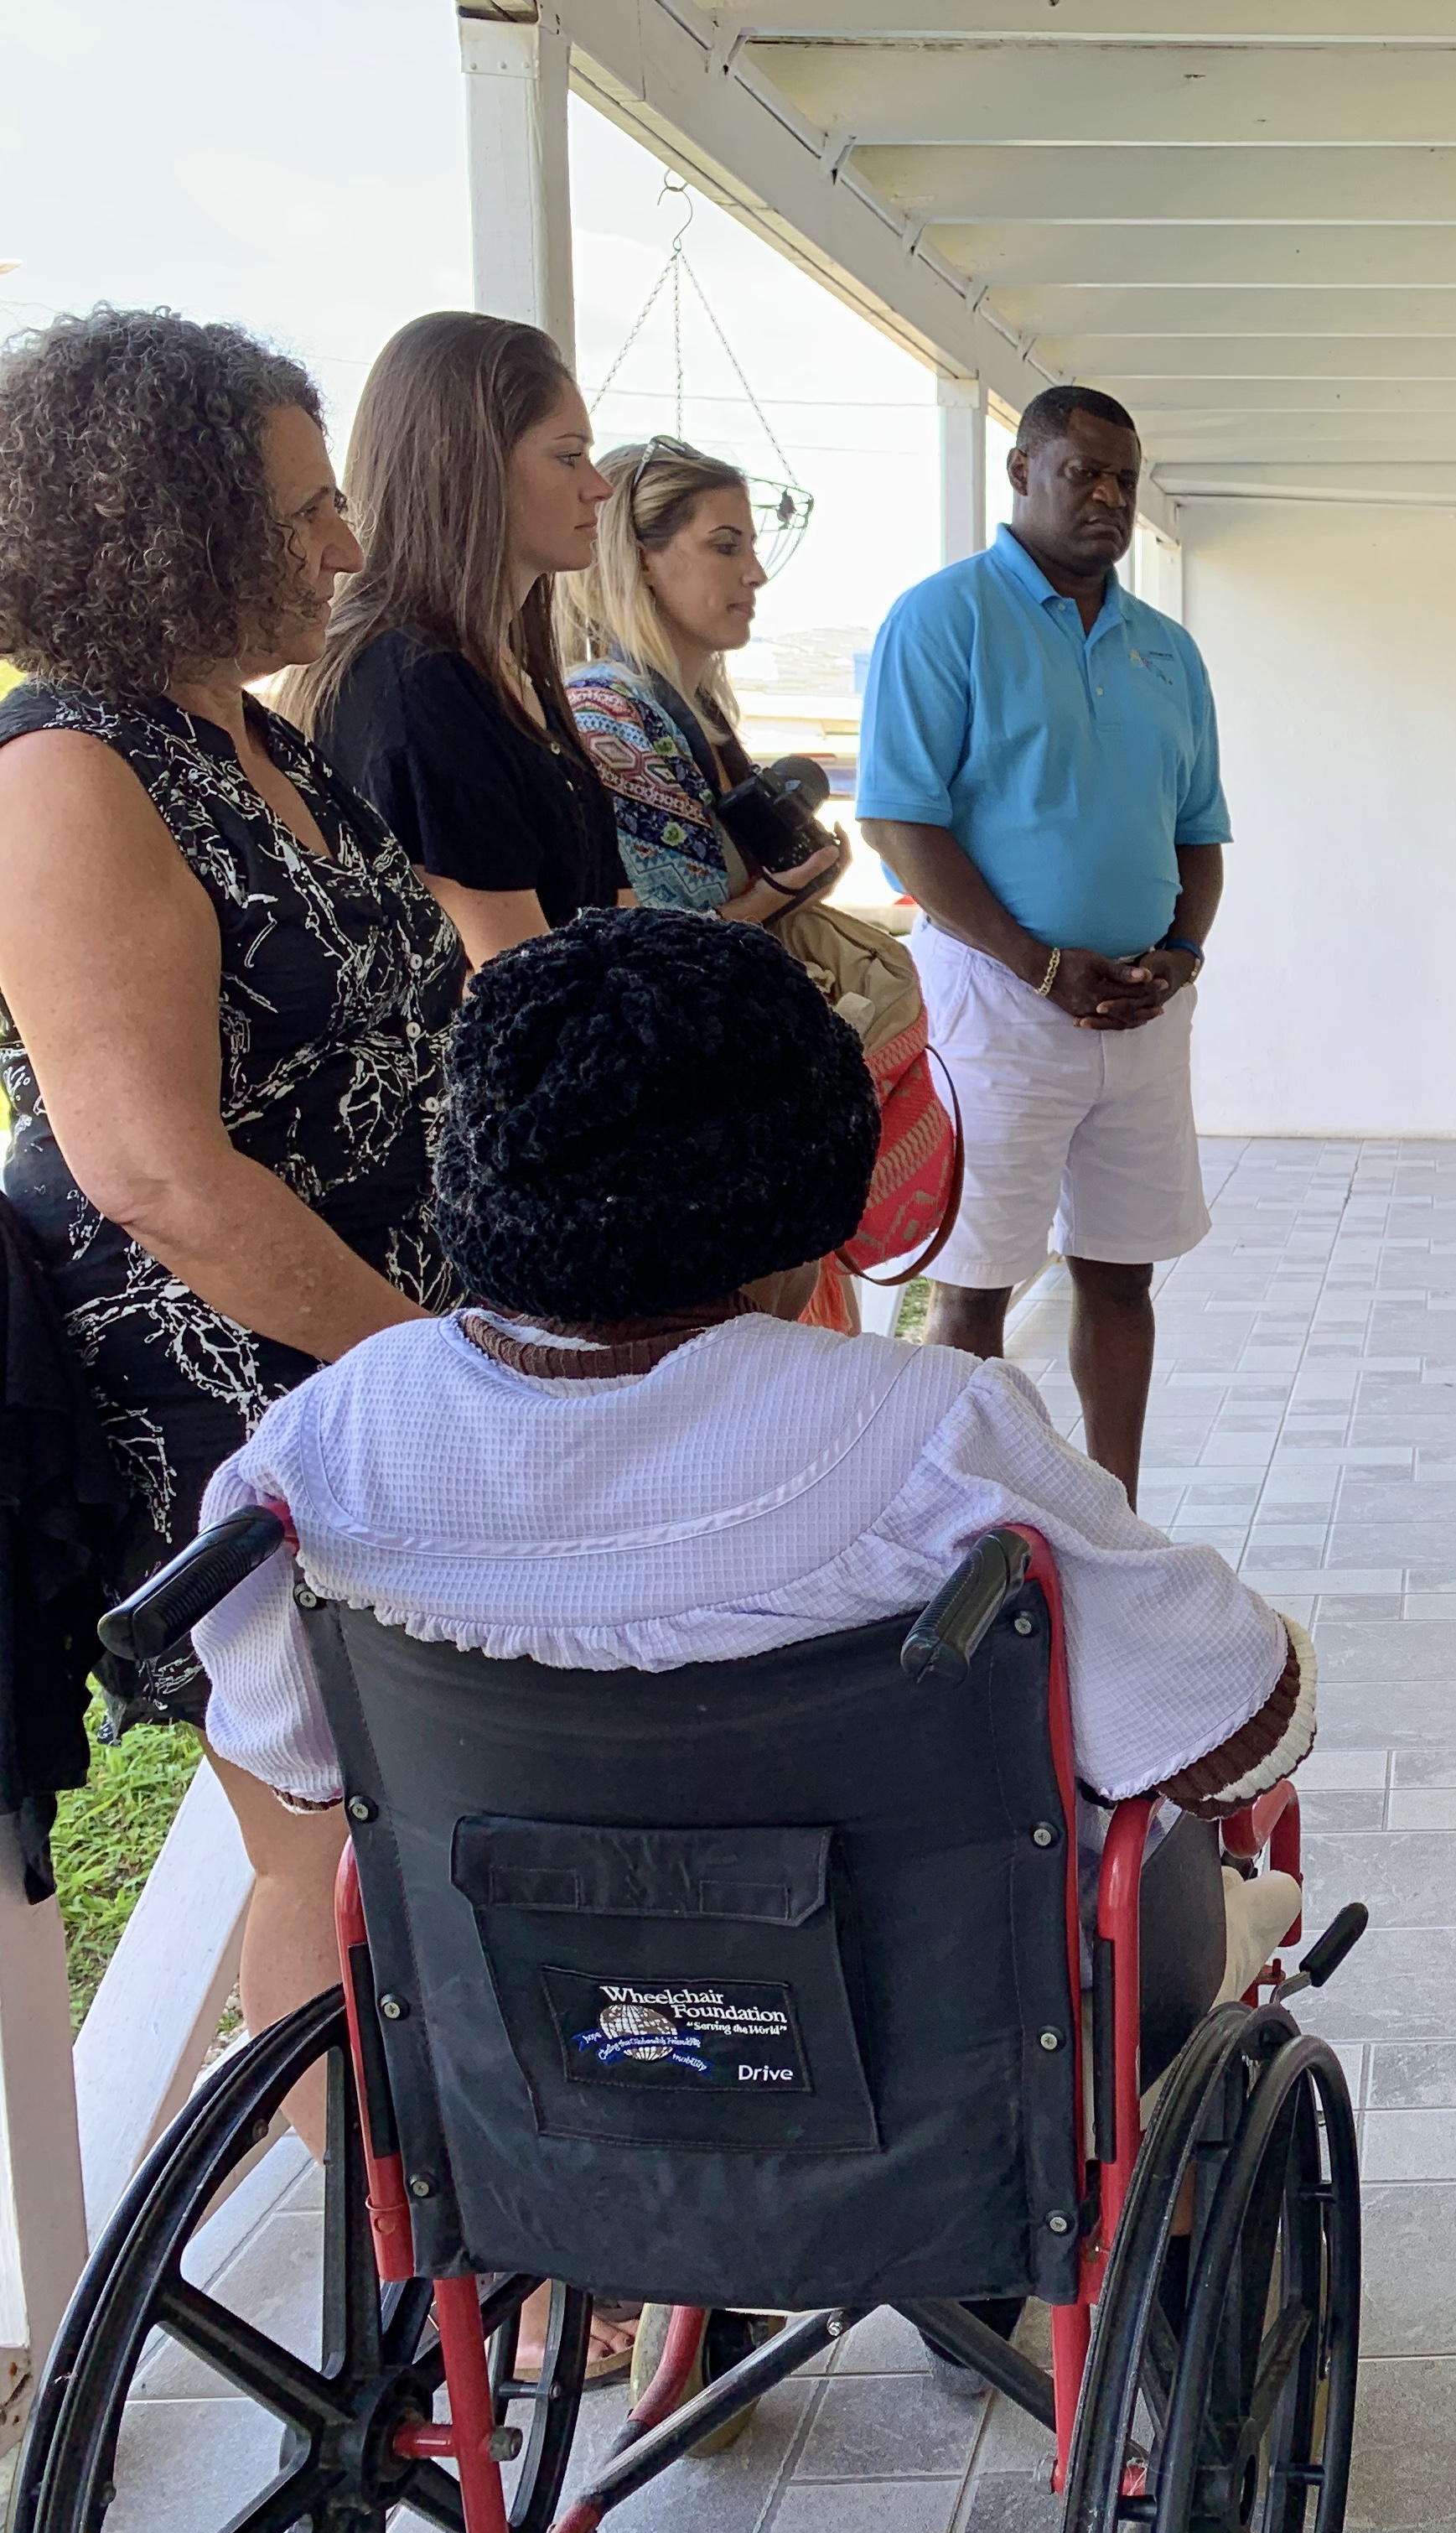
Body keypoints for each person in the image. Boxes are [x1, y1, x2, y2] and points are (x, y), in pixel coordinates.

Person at [186, 909, 1310, 2395]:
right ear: (818, 1180)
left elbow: (289, 1753)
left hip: (537, 2066)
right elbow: (1233, 1719)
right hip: (947, 2071)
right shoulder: (929, 1437)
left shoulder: (323, 1451)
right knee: (1204, 1851)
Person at [0, 308, 461, 2083]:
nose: (344, 549)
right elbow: (156, 1173)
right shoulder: (68, 771)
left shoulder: (266, 739)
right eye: (300, 516)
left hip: (393, 1361)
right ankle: (375, 2329)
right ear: (158, 521)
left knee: (431, 1826)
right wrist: (440, 1363)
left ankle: (482, 2266)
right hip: (244, 1397)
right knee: (324, 1852)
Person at [858, 387, 1224, 1505]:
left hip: (1140, 1010)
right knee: (975, 1285)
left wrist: (1180, 954)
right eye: (1084, 472)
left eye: (1125, 476)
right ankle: (972, 1525)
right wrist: (1037, 964)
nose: (1108, 496)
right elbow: (898, 820)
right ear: (1022, 473)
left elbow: (1198, 833)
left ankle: (1112, 1514)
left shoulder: (1165, 650)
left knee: (1123, 1275)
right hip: (998, 1005)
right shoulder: (944, 617)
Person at [283, 311, 629, 967]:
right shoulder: (417, 682)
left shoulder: (508, 673)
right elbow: (515, 984)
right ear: (456, 460)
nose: (598, 485)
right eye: (567, 456)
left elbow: (615, 920)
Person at [560, 436, 842, 920]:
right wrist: (773, 895)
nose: (756, 574)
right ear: (642, 558)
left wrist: (799, 885)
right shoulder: (606, 717)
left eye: (751, 548)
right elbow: (647, 949)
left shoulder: (695, 709)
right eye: (725, 546)